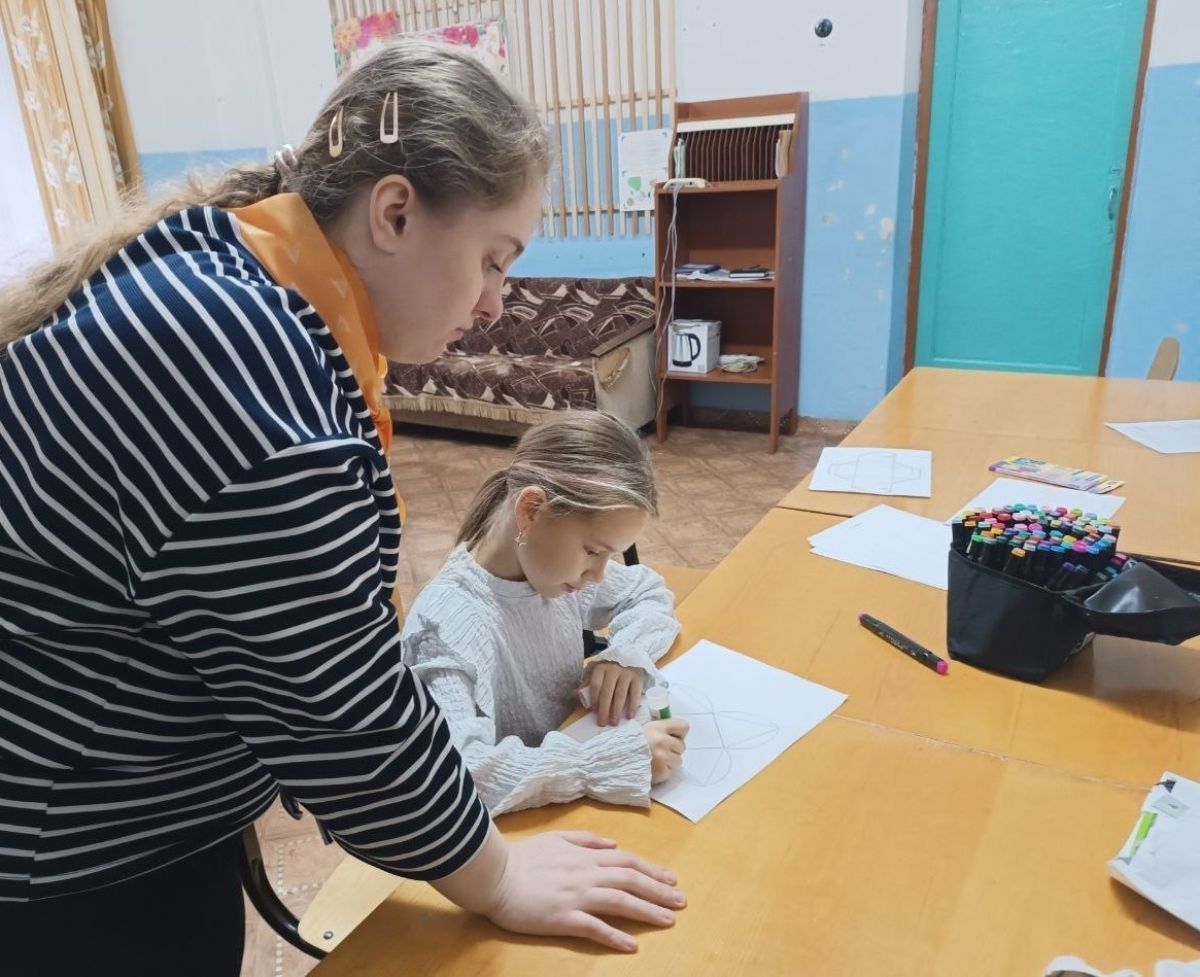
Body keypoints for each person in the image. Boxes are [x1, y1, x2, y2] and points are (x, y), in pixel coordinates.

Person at [0, 39, 683, 976]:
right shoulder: (241, 368)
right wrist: (497, 876)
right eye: (492, 259)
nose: (496, 302)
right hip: (68, 848)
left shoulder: (240, 277)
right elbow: (342, 710)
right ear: (395, 212)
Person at [403, 411, 691, 815]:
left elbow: (646, 591)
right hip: (524, 826)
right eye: (593, 551)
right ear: (532, 510)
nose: (598, 574)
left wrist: (625, 656)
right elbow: (458, 774)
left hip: (563, 797)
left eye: (610, 555)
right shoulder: (445, 628)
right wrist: (603, 762)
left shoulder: (552, 570)